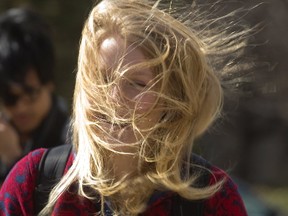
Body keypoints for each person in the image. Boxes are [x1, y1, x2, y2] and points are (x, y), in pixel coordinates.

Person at [0, 0, 248, 215]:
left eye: (136, 83)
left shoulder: (212, 198)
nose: (113, 98)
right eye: (102, 78)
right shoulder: (32, 181)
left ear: (171, 101)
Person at [0, 8, 69, 184]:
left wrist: (14, 160)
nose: (20, 107)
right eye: (10, 98)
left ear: (48, 82)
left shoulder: (72, 140)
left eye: (30, 93)